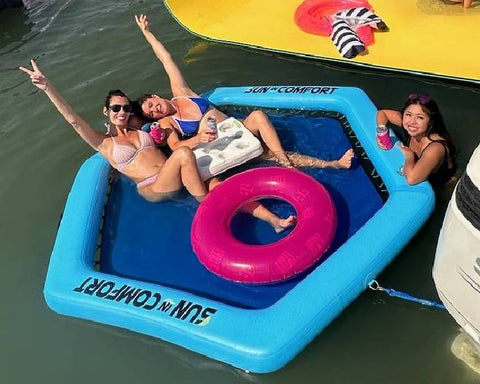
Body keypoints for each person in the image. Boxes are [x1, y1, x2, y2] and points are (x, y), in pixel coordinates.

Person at [19, 60, 295, 232]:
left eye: (126, 107)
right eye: (116, 108)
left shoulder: (142, 129)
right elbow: (73, 120)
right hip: (154, 186)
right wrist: (47, 87)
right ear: (106, 111)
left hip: (180, 173)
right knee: (186, 155)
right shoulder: (104, 143)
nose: (122, 111)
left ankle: (272, 220)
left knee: (220, 185)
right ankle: (207, 209)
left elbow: (164, 110)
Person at [134, 14, 354, 170]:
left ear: (156, 96)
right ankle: (331, 164)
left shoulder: (181, 91)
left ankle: (288, 162)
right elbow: (176, 146)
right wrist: (199, 138)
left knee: (258, 118)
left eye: (152, 104)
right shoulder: (168, 123)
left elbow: (166, 59)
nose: (155, 111)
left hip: (238, 128)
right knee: (265, 154)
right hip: (223, 146)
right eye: (151, 113)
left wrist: (147, 33)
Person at [376, 93, 457, 187]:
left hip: (443, 185)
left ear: (430, 121)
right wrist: (381, 131)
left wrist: (410, 155)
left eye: (420, 117)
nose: (412, 121)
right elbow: (383, 113)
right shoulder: (411, 127)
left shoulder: (435, 148)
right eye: (408, 114)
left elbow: (411, 179)